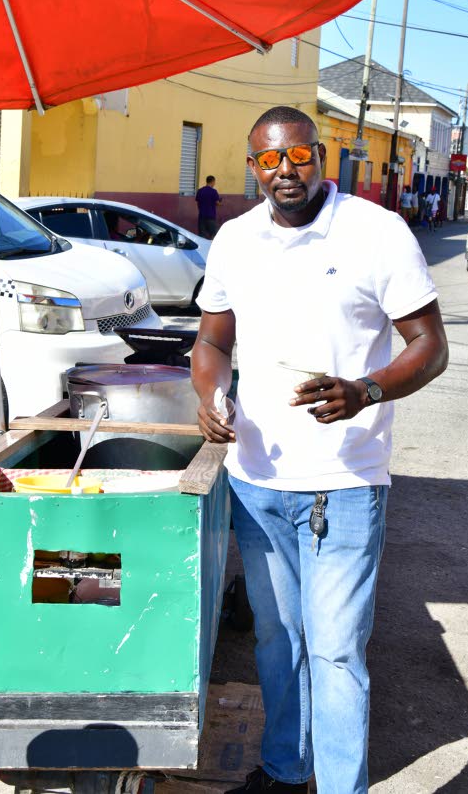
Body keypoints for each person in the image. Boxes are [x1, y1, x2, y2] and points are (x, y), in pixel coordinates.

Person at [192, 106, 448, 794]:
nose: (284, 172)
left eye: (297, 157)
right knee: (278, 643)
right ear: (253, 166)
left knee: (334, 652)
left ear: (321, 158)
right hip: (255, 479)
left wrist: (365, 389)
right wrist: (212, 395)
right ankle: (285, 768)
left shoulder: (376, 233)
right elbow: (213, 341)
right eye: (269, 160)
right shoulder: (235, 239)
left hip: (344, 480)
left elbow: (429, 347)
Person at [195, 174, 222, 238]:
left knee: (202, 234)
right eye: (214, 182)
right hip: (211, 216)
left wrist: (201, 209)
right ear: (212, 181)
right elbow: (217, 203)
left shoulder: (200, 191)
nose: (214, 184)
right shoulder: (214, 191)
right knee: (213, 234)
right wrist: (220, 203)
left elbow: (198, 203)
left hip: (201, 216)